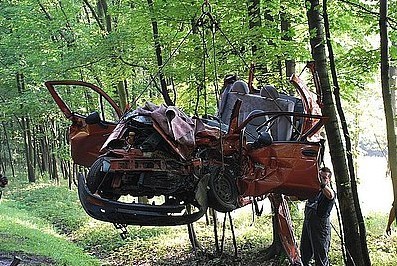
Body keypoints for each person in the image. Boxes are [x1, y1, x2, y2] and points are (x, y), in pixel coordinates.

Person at [300, 166, 336, 266]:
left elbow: (331, 195)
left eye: (324, 178)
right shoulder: (312, 191)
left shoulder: (329, 192)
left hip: (321, 229)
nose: (321, 179)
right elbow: (297, 196)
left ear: (329, 180)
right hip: (308, 225)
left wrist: (322, 184)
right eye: (320, 176)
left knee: (320, 257)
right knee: (304, 253)